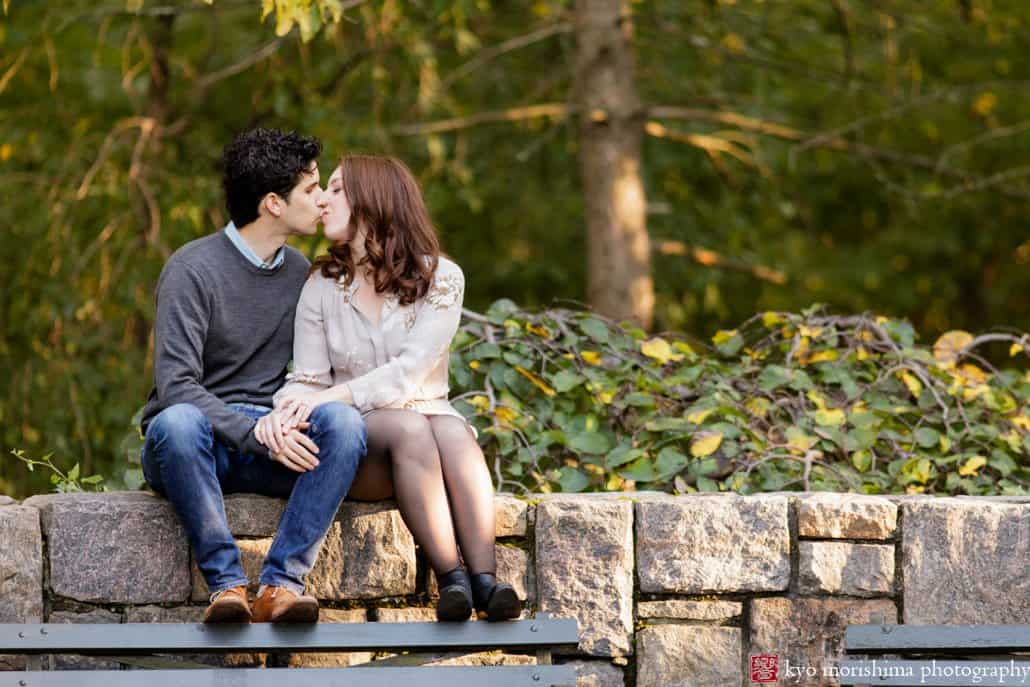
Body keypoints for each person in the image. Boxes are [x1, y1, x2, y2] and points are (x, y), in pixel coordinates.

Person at [272, 155, 520, 622]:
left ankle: (484, 582)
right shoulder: (321, 285)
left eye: (339, 189)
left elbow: (408, 373)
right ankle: (452, 578)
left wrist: (328, 397)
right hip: (363, 448)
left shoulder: (442, 278)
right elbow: (307, 380)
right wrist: (284, 413)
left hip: (433, 438)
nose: (323, 199)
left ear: (374, 200)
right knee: (411, 427)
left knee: (448, 430)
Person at [139, 128, 367, 624]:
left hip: (270, 440)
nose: (323, 200)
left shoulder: (301, 272)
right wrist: (252, 430)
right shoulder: (191, 269)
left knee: (346, 428)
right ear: (273, 204)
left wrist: (280, 421)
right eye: (311, 189)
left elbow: (314, 375)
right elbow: (177, 386)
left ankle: (281, 586)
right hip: (192, 447)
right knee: (177, 423)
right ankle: (226, 587)